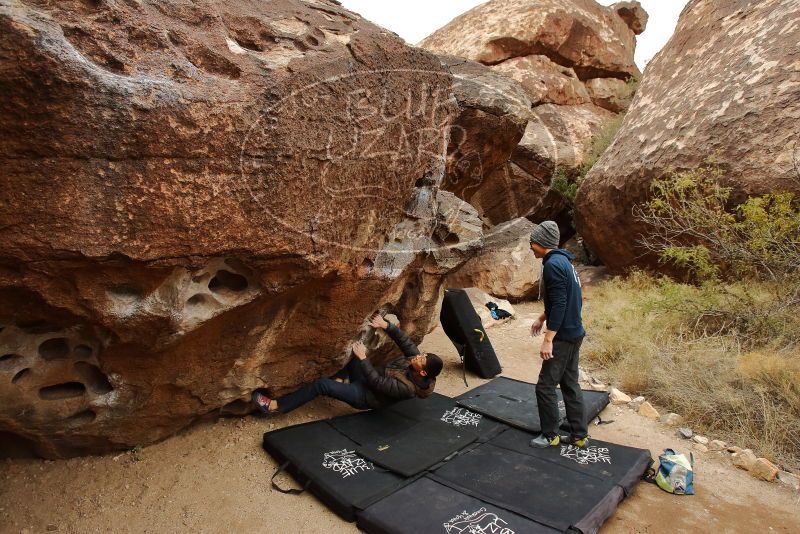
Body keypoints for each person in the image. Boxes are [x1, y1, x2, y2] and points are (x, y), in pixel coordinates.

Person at [251, 313, 443, 415]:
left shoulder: (408, 388)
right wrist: (386, 326)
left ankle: (276, 406)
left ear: (423, 373)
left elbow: (377, 382)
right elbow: (405, 342)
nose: (417, 357)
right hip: (367, 381)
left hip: (366, 396)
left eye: (420, 360)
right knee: (353, 357)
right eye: (421, 355)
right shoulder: (417, 362)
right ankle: (341, 380)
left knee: (321, 385)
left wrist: (363, 358)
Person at [528, 220, 588, 448]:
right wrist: (543, 317)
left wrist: (548, 339)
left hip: (563, 337)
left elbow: (562, 303)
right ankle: (579, 435)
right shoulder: (565, 262)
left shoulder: (552, 265)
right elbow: (574, 298)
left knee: (545, 386)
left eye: (532, 242)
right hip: (575, 332)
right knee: (570, 384)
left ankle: (550, 435)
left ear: (540, 243)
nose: (531, 246)